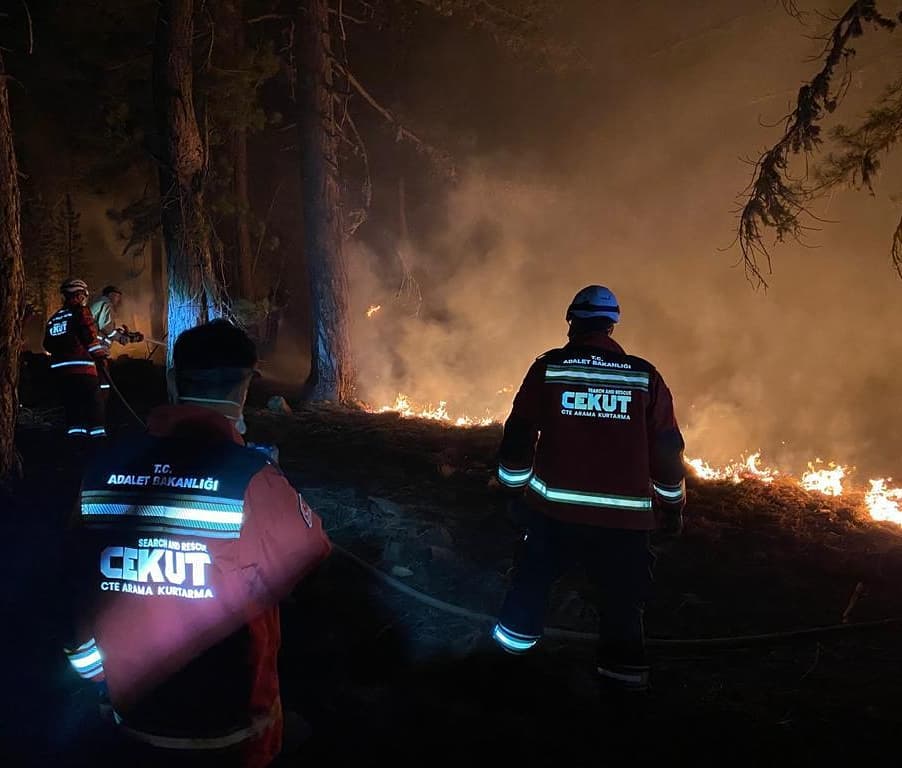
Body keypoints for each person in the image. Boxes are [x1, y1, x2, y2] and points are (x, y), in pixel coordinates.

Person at [61, 319, 332, 767]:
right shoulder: (251, 478)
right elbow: (312, 553)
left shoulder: (100, 469)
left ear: (173, 379)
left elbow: (72, 578)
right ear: (245, 389)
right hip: (230, 731)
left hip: (132, 721)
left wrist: (98, 678)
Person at [491, 284, 686, 697]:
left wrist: (511, 492)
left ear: (571, 323)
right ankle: (622, 688)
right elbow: (667, 449)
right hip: (625, 524)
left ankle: (505, 672)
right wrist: (673, 507)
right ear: (611, 326)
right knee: (622, 603)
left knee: (530, 584)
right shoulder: (644, 375)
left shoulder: (550, 367)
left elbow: (520, 434)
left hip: (553, 515)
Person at [43, 278, 111, 439]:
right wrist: (100, 356)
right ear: (79, 295)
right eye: (83, 296)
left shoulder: (55, 318)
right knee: (95, 404)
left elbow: (47, 344)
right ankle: (98, 441)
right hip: (83, 369)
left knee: (73, 407)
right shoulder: (81, 311)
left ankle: (76, 442)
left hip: (61, 372)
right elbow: (89, 336)